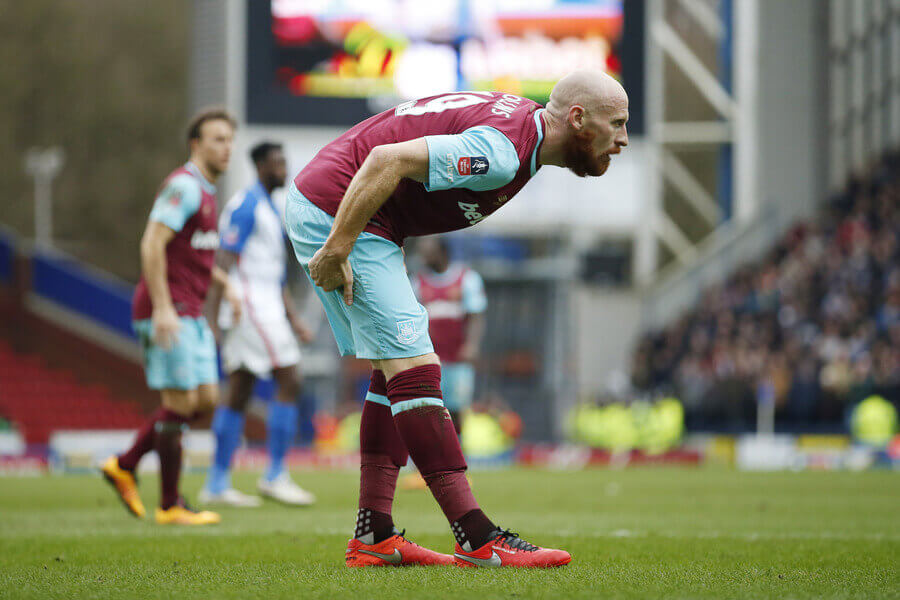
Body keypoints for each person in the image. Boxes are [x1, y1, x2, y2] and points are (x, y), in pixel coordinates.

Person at [286, 70, 628, 567]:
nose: (623, 139)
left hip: (350, 209)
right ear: (578, 119)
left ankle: (374, 534)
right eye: (616, 123)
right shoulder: (503, 153)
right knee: (416, 370)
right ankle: (476, 537)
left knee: (393, 369)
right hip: (341, 210)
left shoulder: (520, 131)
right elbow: (387, 158)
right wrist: (338, 246)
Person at [101, 108, 238, 526]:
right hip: (169, 310)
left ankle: (125, 464)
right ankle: (170, 503)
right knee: (181, 402)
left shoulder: (207, 192)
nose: (226, 147)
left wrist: (223, 284)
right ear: (195, 145)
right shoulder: (183, 187)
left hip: (190, 310)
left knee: (205, 400)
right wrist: (162, 307)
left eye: (229, 139)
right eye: (217, 139)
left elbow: (190, 252)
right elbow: (152, 244)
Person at [199, 141, 316, 507]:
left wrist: (293, 318)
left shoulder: (270, 206)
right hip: (249, 306)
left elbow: (273, 273)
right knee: (290, 378)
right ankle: (275, 474)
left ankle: (217, 482)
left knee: (240, 389)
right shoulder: (247, 204)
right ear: (260, 166)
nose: (284, 169)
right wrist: (211, 317)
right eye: (278, 163)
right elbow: (223, 258)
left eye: (285, 162)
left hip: (263, 305)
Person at [401, 236, 486, 490]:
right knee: (425, 410)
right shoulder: (419, 282)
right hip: (428, 358)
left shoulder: (467, 279)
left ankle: (459, 467)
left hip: (457, 359)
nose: (425, 258)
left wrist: (472, 345)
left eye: (429, 253)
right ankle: (423, 469)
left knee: (456, 411)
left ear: (442, 253)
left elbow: (477, 316)